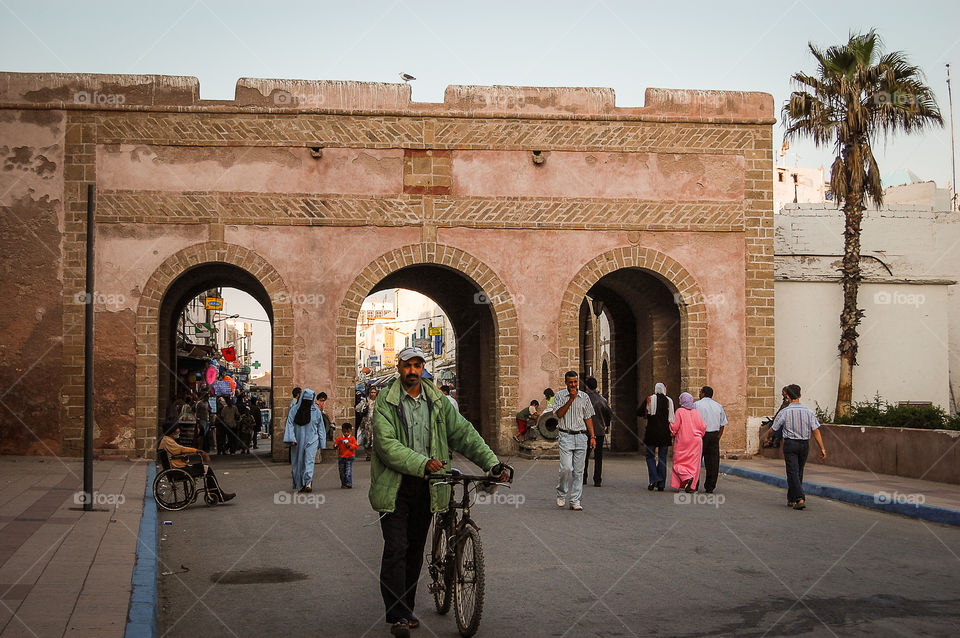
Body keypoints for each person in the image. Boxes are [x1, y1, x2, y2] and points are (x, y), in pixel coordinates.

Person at [369, 346, 509, 638]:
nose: (413, 371)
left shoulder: (438, 401)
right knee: (397, 548)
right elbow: (386, 445)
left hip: (430, 486)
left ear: (423, 368)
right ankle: (397, 617)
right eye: (408, 365)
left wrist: (492, 464)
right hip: (395, 487)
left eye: (418, 365)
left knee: (415, 550)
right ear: (399, 367)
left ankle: (405, 610)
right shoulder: (386, 401)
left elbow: (464, 434)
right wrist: (423, 463)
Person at [763, 384, 827, 510]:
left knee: (792, 471)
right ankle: (792, 498)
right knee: (799, 471)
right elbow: (816, 431)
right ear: (800, 395)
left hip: (790, 444)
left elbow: (774, 428)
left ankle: (799, 498)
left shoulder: (784, 412)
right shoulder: (809, 412)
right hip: (804, 444)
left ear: (787, 396)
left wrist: (768, 437)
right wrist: (822, 448)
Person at [158, 423, 235, 502]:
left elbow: (177, 452)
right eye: (177, 429)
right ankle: (218, 493)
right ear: (172, 431)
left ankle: (216, 492)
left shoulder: (167, 440)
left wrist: (184, 456)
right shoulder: (167, 441)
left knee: (206, 469)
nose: (179, 431)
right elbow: (181, 449)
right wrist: (197, 451)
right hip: (178, 470)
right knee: (207, 469)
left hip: (176, 468)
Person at [553, 371, 596, 511]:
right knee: (566, 468)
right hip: (565, 435)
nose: (573, 384)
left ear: (578, 382)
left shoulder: (584, 397)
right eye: (570, 382)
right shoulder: (559, 396)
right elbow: (559, 414)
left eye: (575, 382)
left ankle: (575, 500)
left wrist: (593, 436)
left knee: (579, 471)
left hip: (581, 436)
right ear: (566, 382)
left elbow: (588, 417)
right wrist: (571, 399)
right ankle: (561, 493)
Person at [284, 387, 326, 493]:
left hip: (312, 440)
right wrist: (291, 439)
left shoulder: (316, 411)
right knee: (298, 463)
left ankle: (308, 483)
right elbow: (289, 425)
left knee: (309, 461)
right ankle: (301, 483)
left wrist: (322, 442)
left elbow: (321, 427)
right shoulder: (294, 410)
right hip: (297, 441)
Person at [670, 392, 707, 492]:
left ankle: (686, 477)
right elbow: (703, 426)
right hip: (696, 442)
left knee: (678, 462)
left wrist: (670, 429)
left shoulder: (679, 411)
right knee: (694, 464)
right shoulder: (696, 412)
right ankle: (690, 485)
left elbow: (674, 427)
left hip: (683, 441)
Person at [694, 386, 728, 493]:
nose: (699, 394)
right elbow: (722, 424)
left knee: (696, 461)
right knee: (713, 462)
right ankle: (710, 486)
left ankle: (694, 483)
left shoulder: (696, 405)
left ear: (703, 393)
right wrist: (718, 437)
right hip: (714, 435)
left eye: (700, 392)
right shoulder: (718, 406)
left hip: (700, 435)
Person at [641, 382, 674, 491]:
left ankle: (654, 478)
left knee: (650, 456)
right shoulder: (669, 401)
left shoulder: (650, 399)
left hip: (651, 433)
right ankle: (661, 484)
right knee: (662, 458)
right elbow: (671, 419)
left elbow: (640, 411)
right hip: (664, 434)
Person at [583, 377, 611, 487]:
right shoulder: (602, 400)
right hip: (599, 431)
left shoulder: (584, 399)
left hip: (586, 431)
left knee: (584, 456)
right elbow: (608, 414)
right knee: (598, 456)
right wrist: (607, 425)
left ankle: (583, 477)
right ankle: (597, 479)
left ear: (587, 387)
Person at [334, 423, 358, 488]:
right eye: (345, 432)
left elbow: (355, 446)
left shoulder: (352, 438)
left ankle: (349, 482)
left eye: (348, 432)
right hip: (341, 457)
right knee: (341, 471)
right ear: (342, 431)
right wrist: (337, 444)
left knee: (348, 470)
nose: (346, 434)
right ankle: (343, 483)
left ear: (351, 431)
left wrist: (350, 445)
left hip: (349, 457)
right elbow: (335, 445)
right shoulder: (340, 438)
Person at [357, 388, 378, 461]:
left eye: (374, 392)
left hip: (376, 423)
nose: (373, 394)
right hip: (366, 424)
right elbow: (357, 408)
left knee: (374, 439)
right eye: (371, 392)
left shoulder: (378, 401)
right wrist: (364, 406)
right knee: (367, 439)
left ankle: (374, 454)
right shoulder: (365, 400)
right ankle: (368, 454)